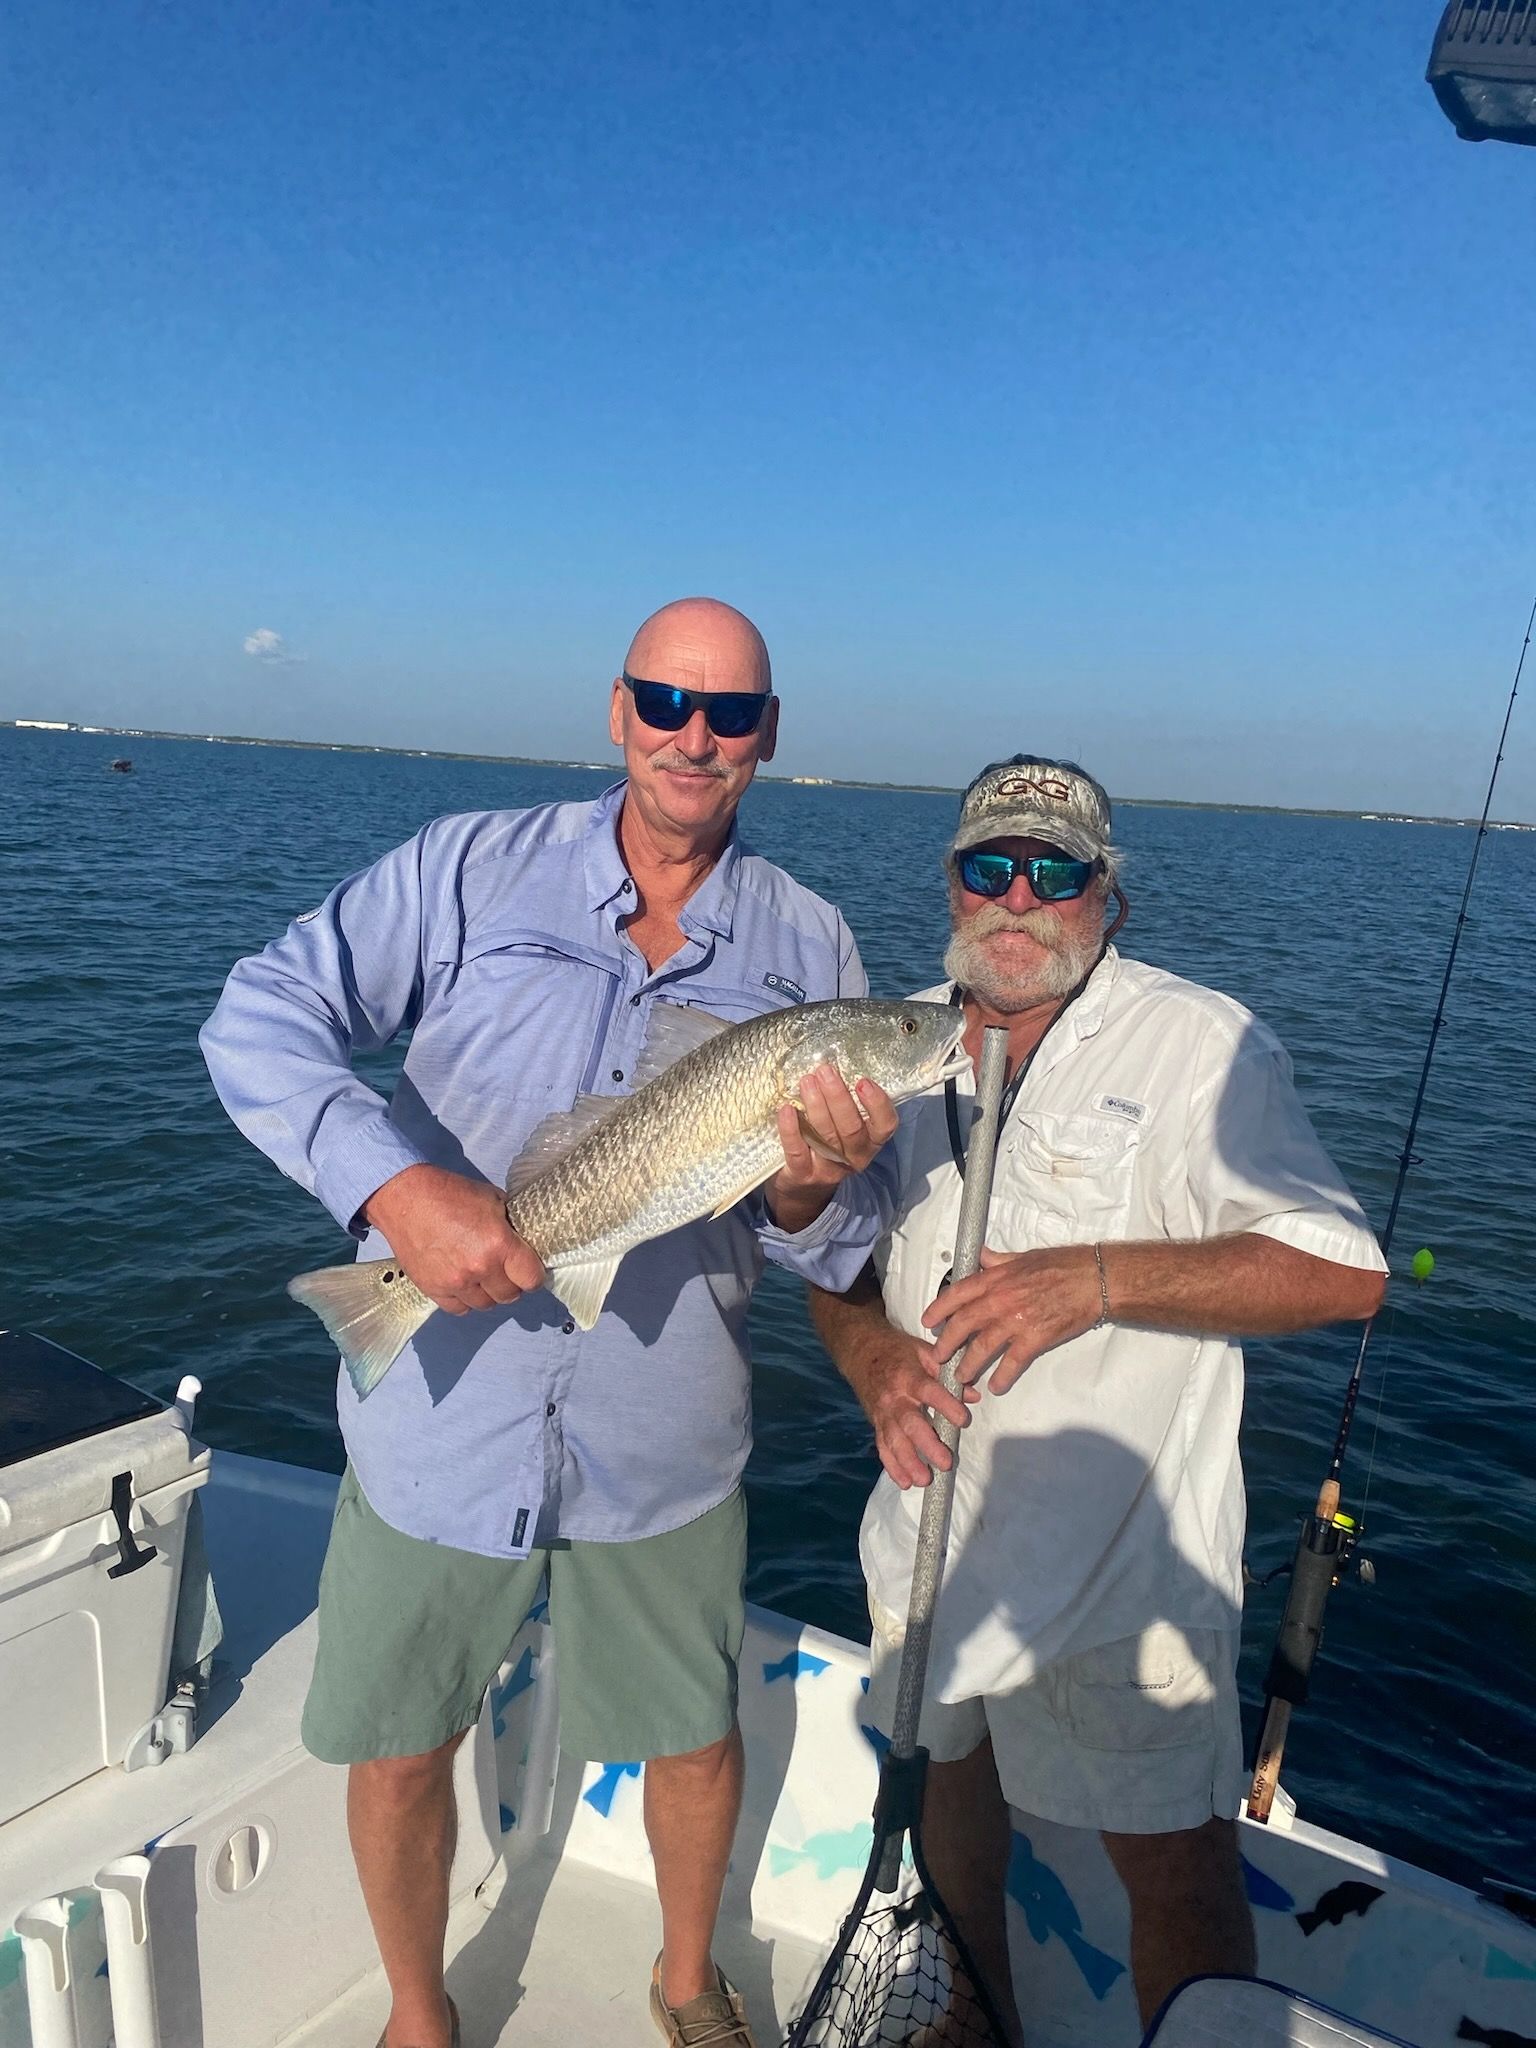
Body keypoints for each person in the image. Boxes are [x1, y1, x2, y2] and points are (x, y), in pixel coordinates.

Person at [201, 598, 900, 2048]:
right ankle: (419, 2011)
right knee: (401, 1747)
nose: (693, 737)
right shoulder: (466, 866)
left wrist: (812, 1183)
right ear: (618, 709)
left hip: (666, 1440)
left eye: (729, 712)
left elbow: (833, 1237)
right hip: (440, 1426)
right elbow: (258, 1013)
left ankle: (687, 1980)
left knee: (692, 1737)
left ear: (768, 735)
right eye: (666, 701)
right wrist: (393, 1190)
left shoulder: (813, 940)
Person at [810, 754, 1388, 2036]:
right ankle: (975, 2017)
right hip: (928, 1546)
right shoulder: (888, 1044)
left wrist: (1099, 1277)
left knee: (1173, 1861)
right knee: (945, 1789)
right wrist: (873, 1361)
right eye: (990, 864)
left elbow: (1343, 1269)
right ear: (951, 883)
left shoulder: (1202, 1045)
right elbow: (830, 1266)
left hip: (1122, 1575)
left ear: (1106, 896)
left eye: (1055, 870)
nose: (1018, 896)